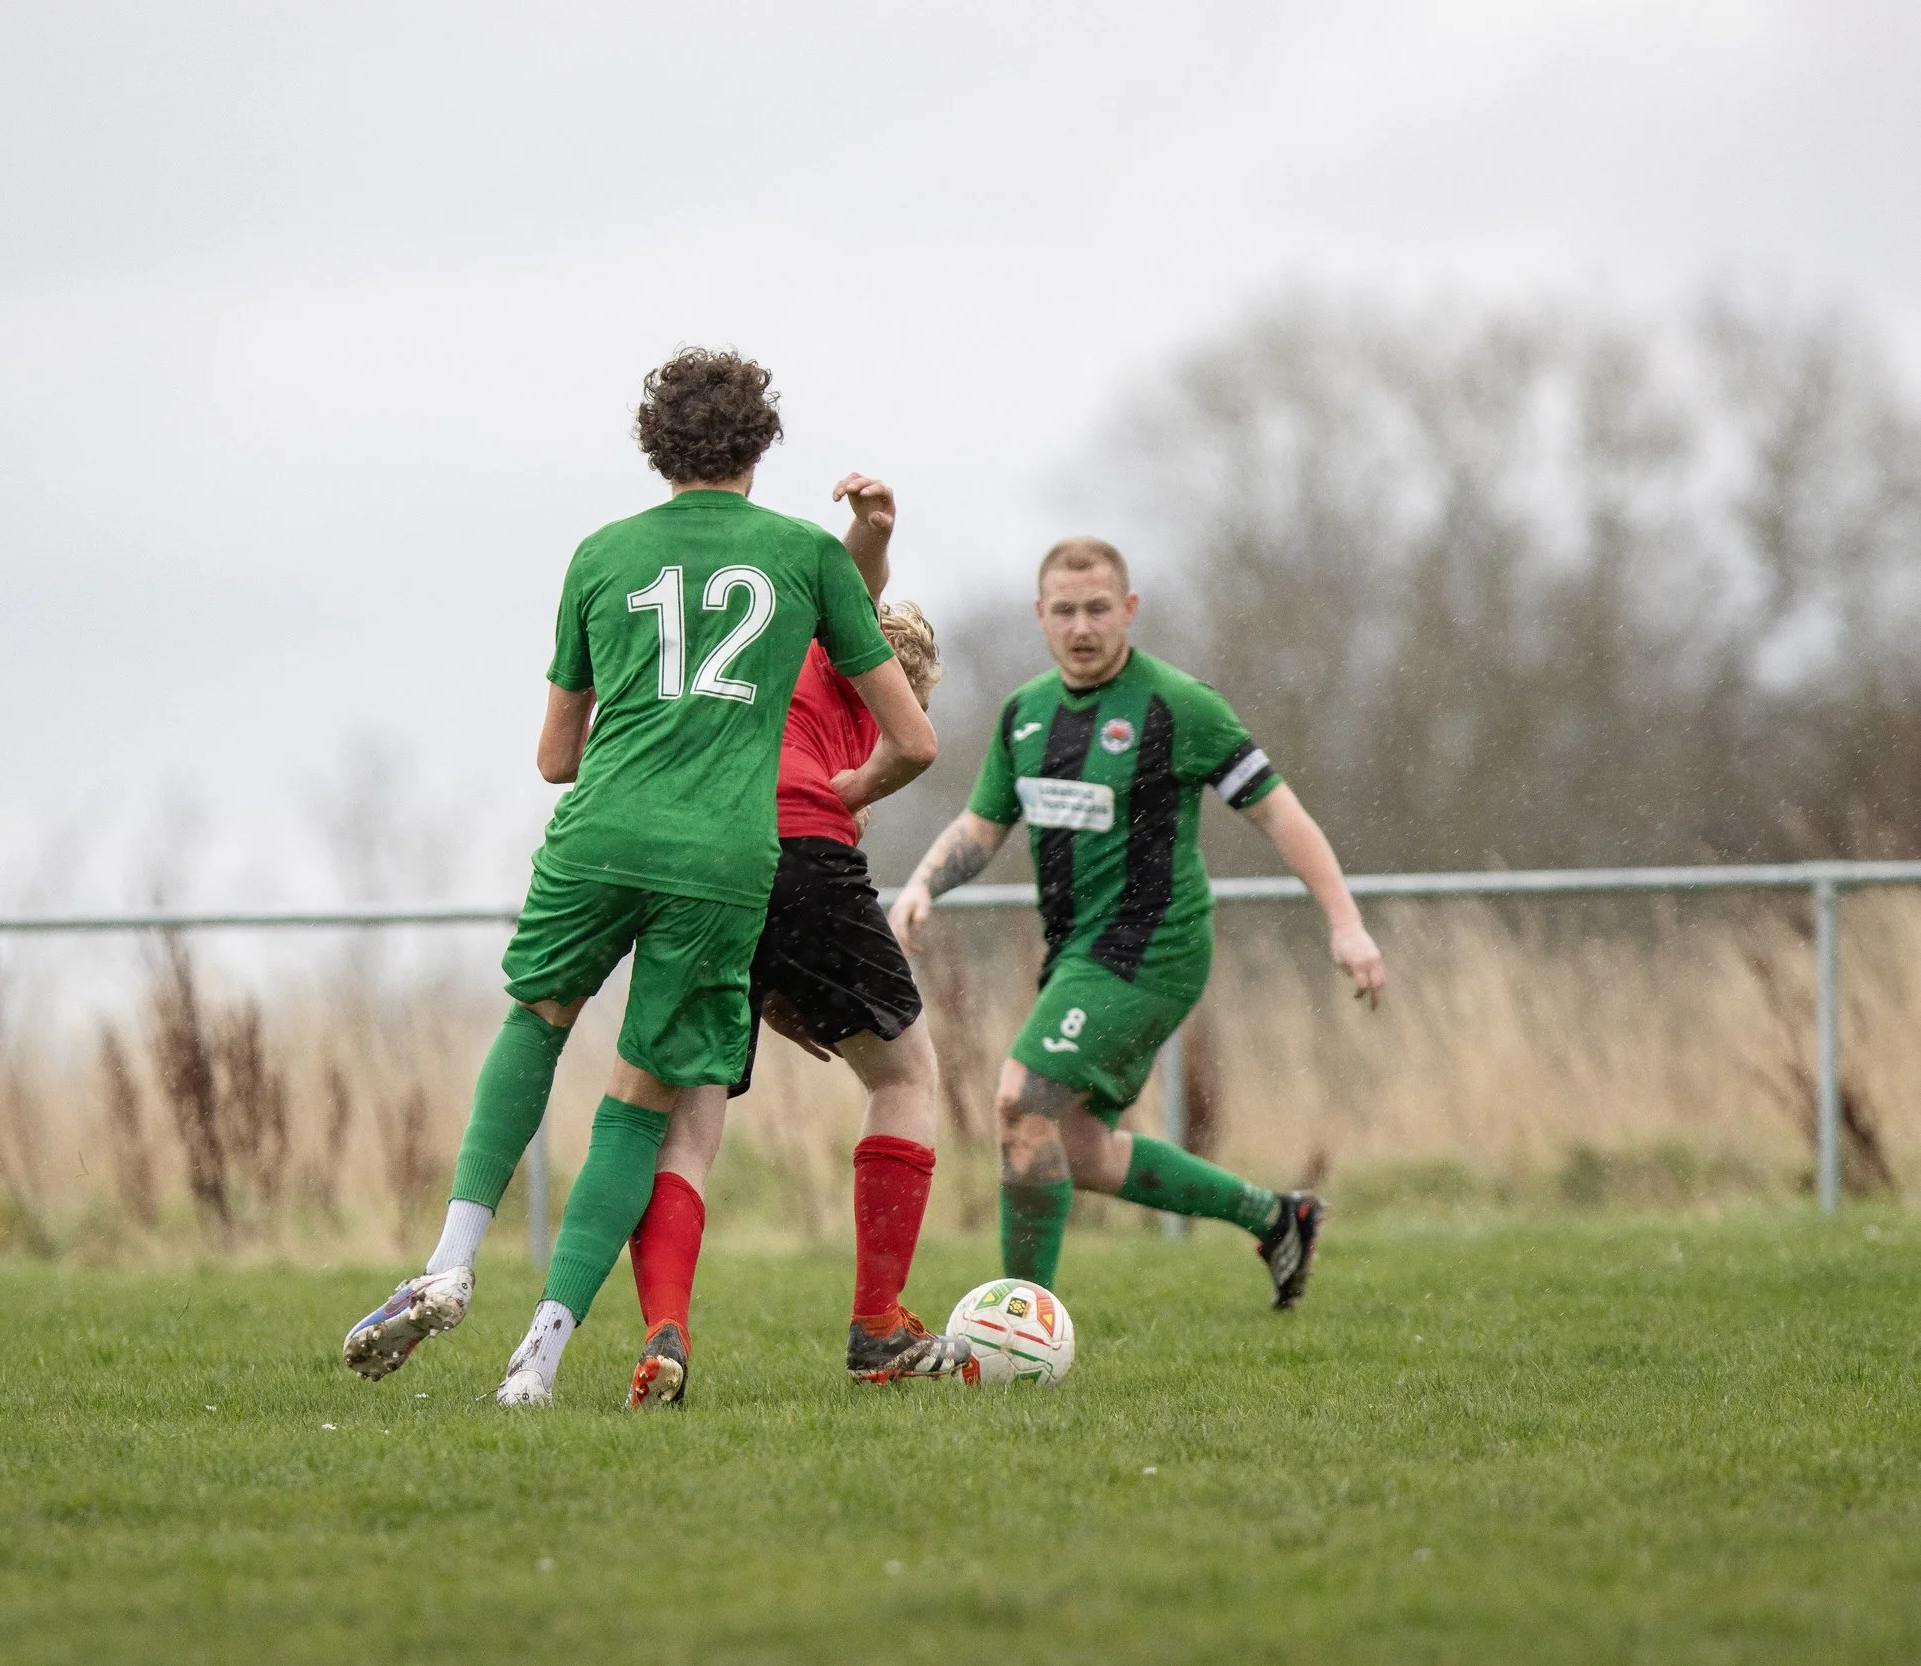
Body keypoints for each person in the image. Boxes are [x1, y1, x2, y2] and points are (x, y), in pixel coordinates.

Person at [341, 348, 937, 1405]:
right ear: (760, 446)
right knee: (639, 1095)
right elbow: (912, 742)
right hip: (720, 857)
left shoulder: (599, 555)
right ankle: (541, 1355)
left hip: (601, 832)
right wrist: (841, 791)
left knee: (535, 1020)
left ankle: (448, 1259)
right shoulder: (804, 553)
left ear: (655, 447)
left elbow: (555, 757)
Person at [891, 538, 1383, 1308]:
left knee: (1021, 1104)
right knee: (1080, 1151)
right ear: (1040, 615)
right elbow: (984, 827)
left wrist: (1345, 923)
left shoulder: (1178, 705)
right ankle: (1277, 1218)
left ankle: (1019, 1323)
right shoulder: (1026, 715)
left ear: (1129, 610)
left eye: (1097, 609)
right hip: (1078, 953)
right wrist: (923, 884)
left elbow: (1280, 814)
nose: (1081, 627)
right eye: (1065, 611)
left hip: (1154, 949)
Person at [620, 573, 971, 1408]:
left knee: (691, 1113)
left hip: (699, 858)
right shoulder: (870, 693)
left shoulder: (780, 657)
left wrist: (771, 990)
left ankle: (664, 1332)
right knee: (905, 1075)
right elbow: (895, 750)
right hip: (799, 849)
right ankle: (877, 1324)